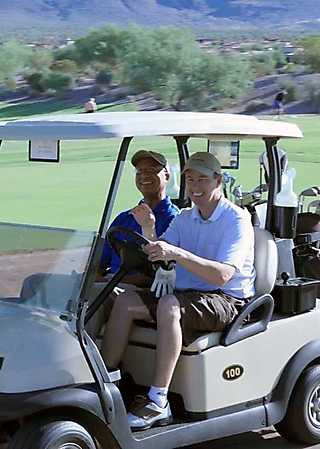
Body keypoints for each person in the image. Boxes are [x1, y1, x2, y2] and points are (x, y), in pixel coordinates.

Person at [100, 152, 256, 431]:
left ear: (217, 180)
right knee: (125, 302)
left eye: (203, 180)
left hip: (228, 300)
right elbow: (161, 254)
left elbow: (222, 275)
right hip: (188, 294)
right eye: (190, 180)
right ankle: (105, 384)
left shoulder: (236, 220)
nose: (195, 186)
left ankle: (158, 401)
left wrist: (178, 254)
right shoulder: (186, 217)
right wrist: (149, 230)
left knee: (168, 305)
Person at [20, 150, 179, 338]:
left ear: (166, 176)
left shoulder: (174, 220)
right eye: (139, 170)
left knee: (91, 294)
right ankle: (26, 343)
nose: (144, 175)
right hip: (109, 282)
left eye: (152, 169)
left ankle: (80, 359)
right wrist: (93, 277)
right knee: (35, 283)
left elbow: (157, 275)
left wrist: (108, 282)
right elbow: (99, 261)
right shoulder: (125, 217)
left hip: (139, 290)